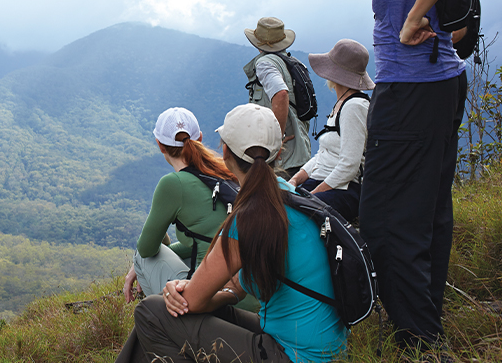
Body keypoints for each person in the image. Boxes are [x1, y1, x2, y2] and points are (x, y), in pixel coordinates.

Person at [338, 0, 470, 353]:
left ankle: (417, 339)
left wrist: (415, 17)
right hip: (440, 83)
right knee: (428, 211)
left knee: (386, 219)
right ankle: (424, 326)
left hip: (411, 88)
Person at [116, 104, 347, 363]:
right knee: (172, 311)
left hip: (291, 355)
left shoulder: (248, 217)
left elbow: (192, 302)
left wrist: (180, 289)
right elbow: (235, 286)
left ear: (225, 151)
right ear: (279, 153)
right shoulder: (287, 196)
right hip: (318, 349)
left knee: (151, 310)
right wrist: (200, 292)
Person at [122, 107, 258, 312]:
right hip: (247, 294)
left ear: (160, 146)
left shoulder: (172, 184)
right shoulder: (225, 170)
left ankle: (171, 325)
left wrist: (141, 262)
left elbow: (147, 248)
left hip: (210, 299)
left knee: (141, 258)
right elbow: (208, 238)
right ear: (200, 138)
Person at [288, 39, 374, 223]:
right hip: (325, 182)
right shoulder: (342, 104)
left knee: (292, 214)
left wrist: (311, 195)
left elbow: (349, 165)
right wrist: (294, 181)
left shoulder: (354, 107)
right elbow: (323, 154)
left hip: (344, 189)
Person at [243, 17, 312, 178]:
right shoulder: (293, 63)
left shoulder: (265, 63)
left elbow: (281, 94)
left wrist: (276, 140)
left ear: (258, 44)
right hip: (299, 155)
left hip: (281, 161)